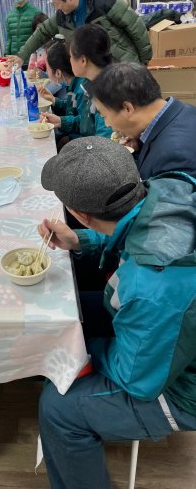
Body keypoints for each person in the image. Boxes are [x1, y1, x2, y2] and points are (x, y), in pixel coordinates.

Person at [37, 136, 196, 489]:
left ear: (80, 214)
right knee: (72, 313)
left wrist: (78, 351)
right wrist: (80, 240)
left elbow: (138, 380)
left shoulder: (152, 284)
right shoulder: (167, 187)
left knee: (57, 408)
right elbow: (134, 234)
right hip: (165, 330)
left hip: (184, 391)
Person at [7, 0, 152, 68]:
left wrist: (145, 60)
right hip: (97, 74)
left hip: (125, 66)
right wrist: (21, 56)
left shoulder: (105, 2)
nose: (56, 8)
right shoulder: (62, 16)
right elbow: (42, 32)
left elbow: (136, 27)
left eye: (57, 3)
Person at [87, 61, 196, 179]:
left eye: (104, 116)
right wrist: (138, 150)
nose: (107, 124)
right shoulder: (185, 110)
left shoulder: (173, 157)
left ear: (127, 108)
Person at [41, 25, 113, 138]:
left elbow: (104, 140)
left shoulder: (107, 91)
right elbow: (87, 122)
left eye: (70, 56)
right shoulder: (89, 84)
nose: (69, 61)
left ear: (83, 60)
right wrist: (61, 121)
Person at [37, 38, 85, 147]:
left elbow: (87, 126)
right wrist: (54, 100)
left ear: (58, 73)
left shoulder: (81, 89)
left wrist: (71, 138)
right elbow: (73, 107)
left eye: (47, 69)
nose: (46, 73)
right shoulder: (73, 85)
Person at [4, 0, 42, 67]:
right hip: (14, 61)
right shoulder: (10, 16)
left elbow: (40, 38)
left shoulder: (36, 13)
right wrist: (6, 56)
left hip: (31, 62)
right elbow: (9, 39)